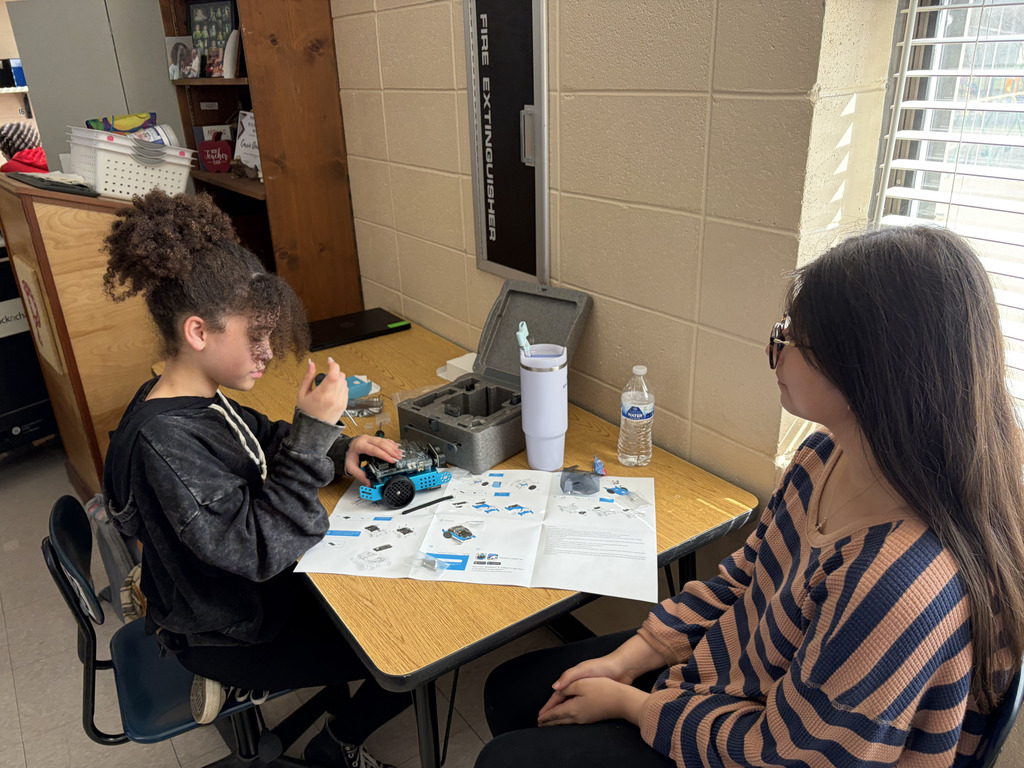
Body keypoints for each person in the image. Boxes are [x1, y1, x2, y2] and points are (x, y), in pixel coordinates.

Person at [474, 225, 1024, 768]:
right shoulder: (821, 457)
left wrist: (630, 703)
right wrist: (625, 661)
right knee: (510, 689)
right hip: (735, 686)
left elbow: (783, 756)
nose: (775, 350)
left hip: (767, 742)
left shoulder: (895, 583)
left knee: (507, 756)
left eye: (792, 338)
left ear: (868, 373)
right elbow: (742, 577)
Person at [102, 189, 408, 768]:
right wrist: (313, 436)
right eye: (257, 337)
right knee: (406, 654)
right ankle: (334, 745)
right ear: (198, 332)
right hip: (231, 630)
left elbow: (259, 437)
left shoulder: (193, 397)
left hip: (233, 593)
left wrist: (338, 444)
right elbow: (259, 548)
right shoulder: (166, 443)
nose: (268, 353)